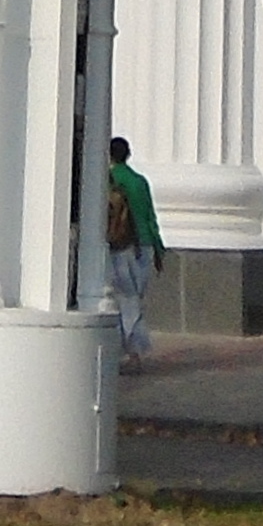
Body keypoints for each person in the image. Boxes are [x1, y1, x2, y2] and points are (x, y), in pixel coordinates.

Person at [102, 133, 162, 362]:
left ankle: (129, 349)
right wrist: (158, 248)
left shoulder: (108, 180)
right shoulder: (139, 181)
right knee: (134, 297)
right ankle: (134, 349)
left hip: (118, 246)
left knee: (123, 298)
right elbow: (150, 217)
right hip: (144, 245)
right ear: (128, 155)